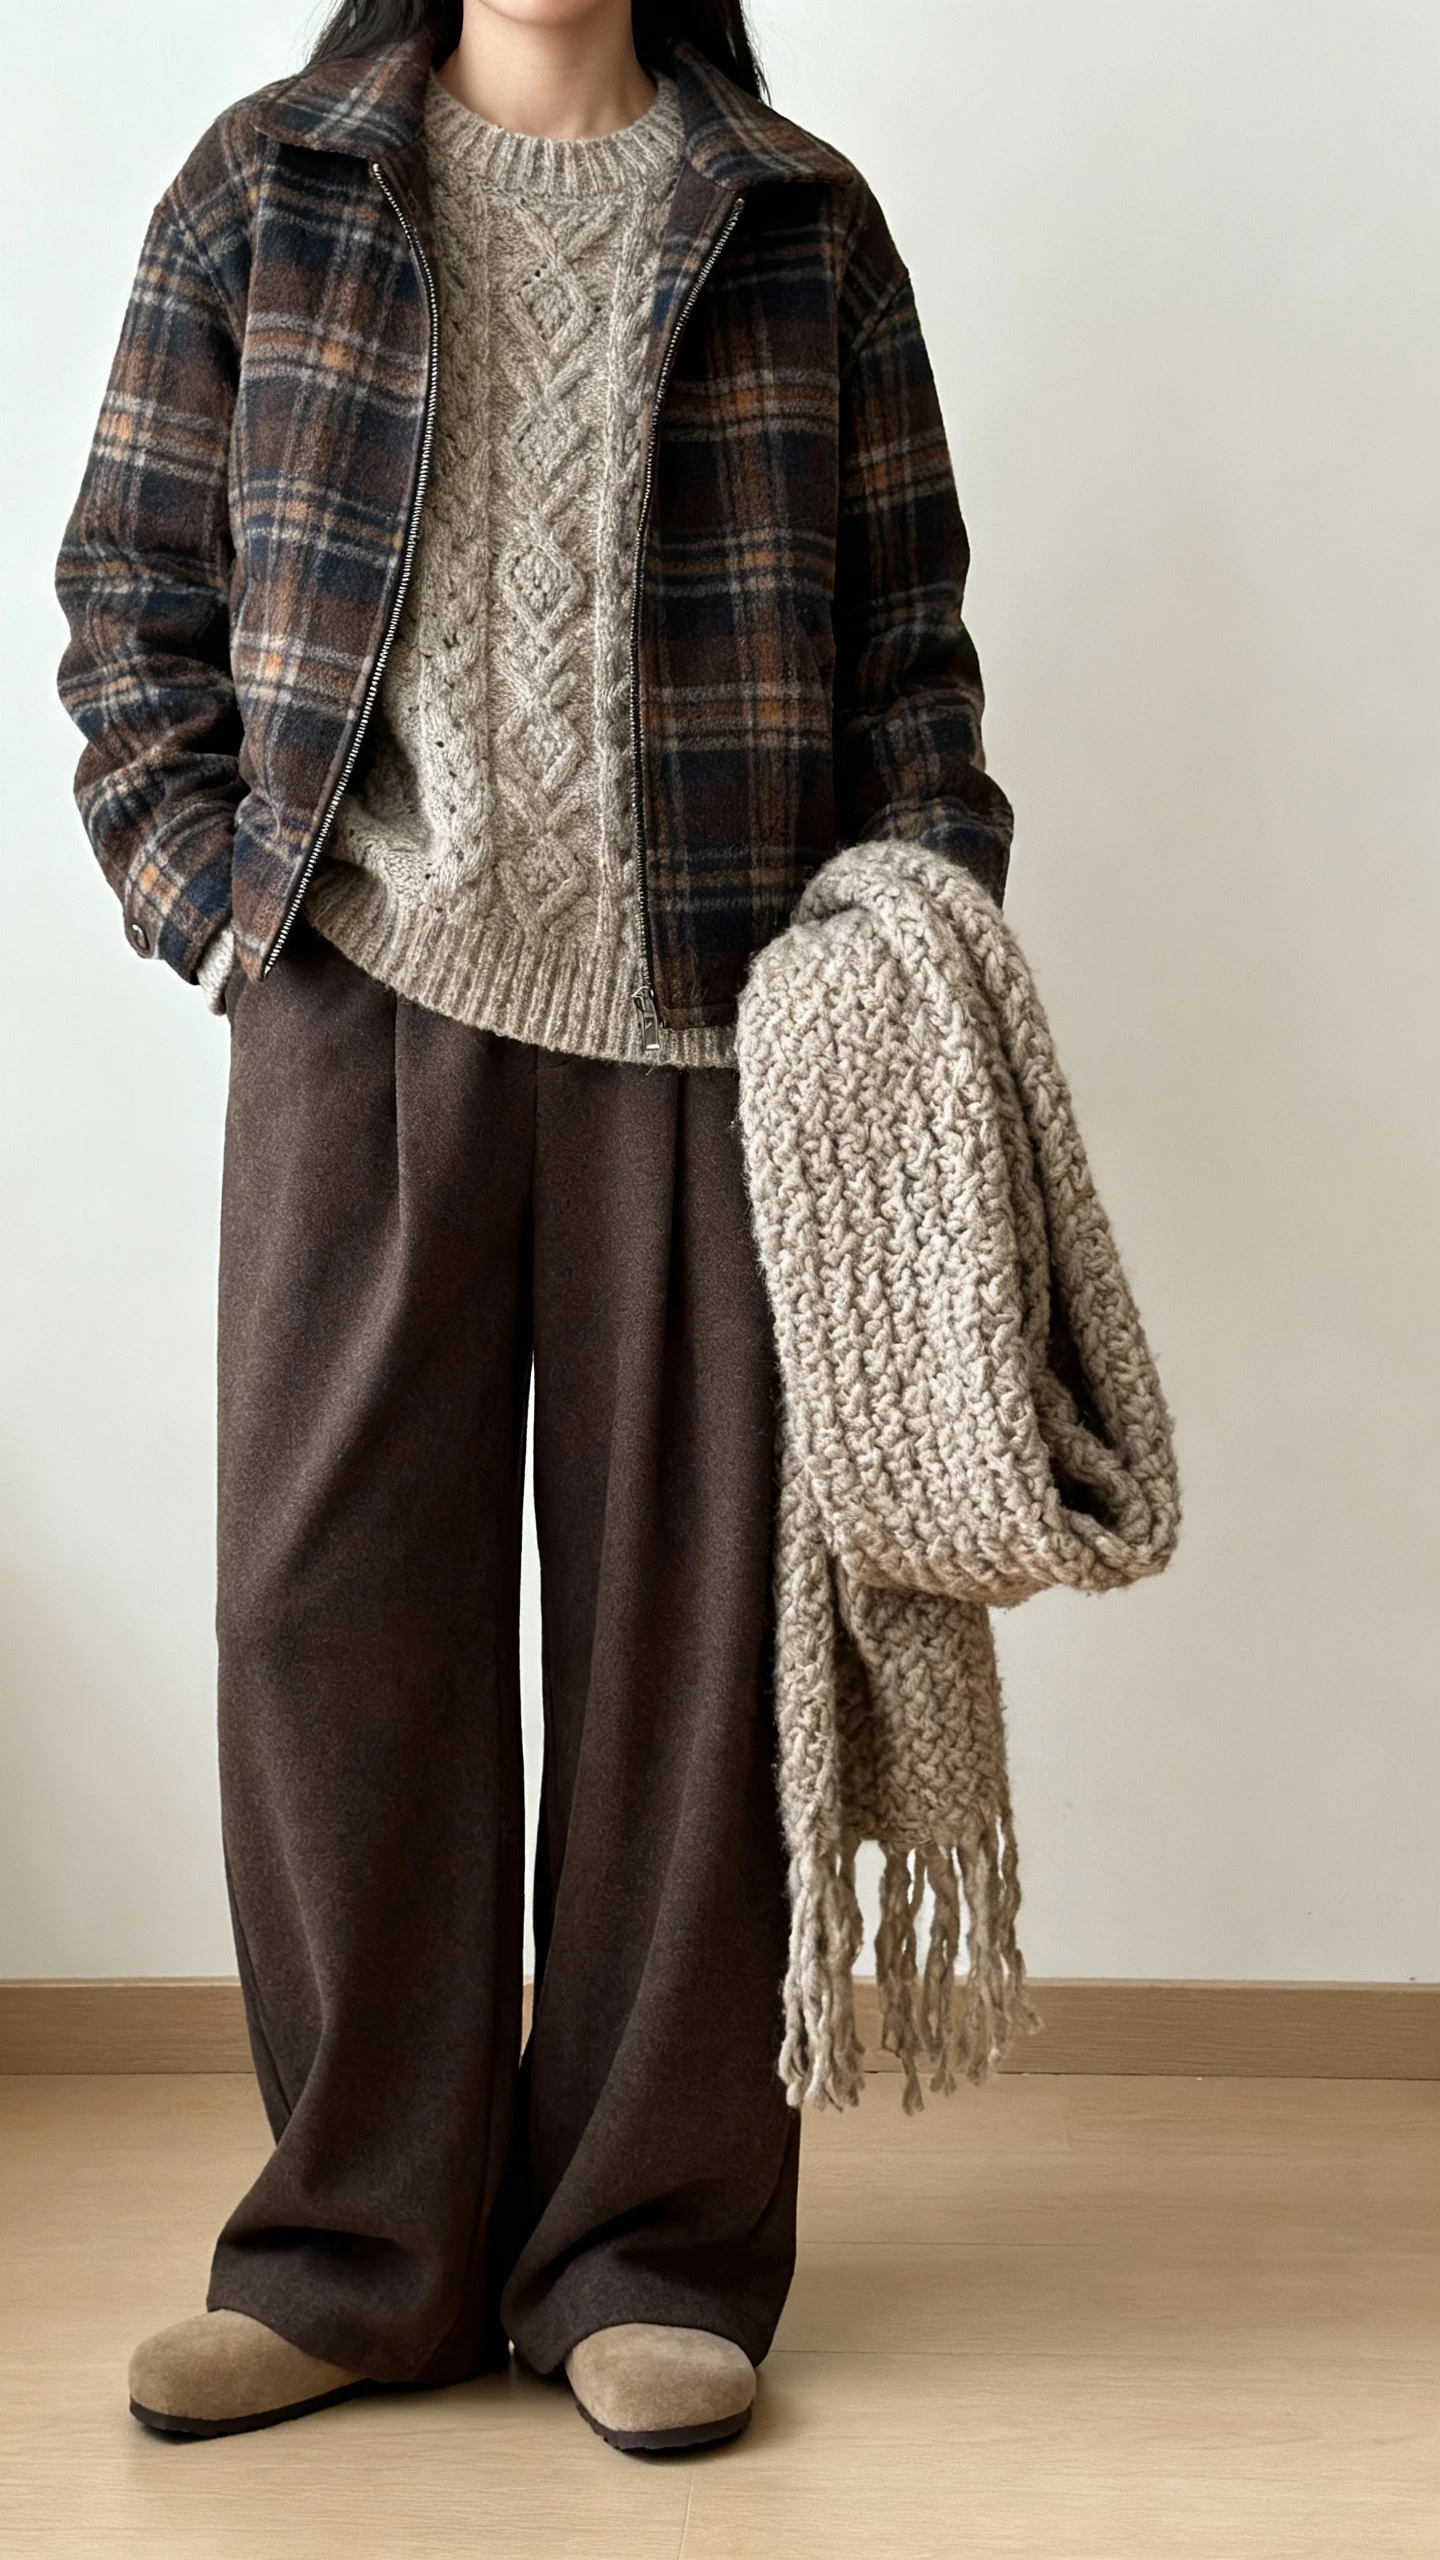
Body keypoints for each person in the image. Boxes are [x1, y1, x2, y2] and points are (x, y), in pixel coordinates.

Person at [55, 0, 1013, 2455]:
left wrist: (886, 957)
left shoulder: (799, 222)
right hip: (359, 1012)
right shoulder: (270, 186)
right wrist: (223, 911)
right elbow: (129, 606)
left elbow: (915, 663)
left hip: (721, 1031)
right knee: (319, 1605)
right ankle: (354, 2248)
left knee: (688, 1647)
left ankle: (647, 2242)